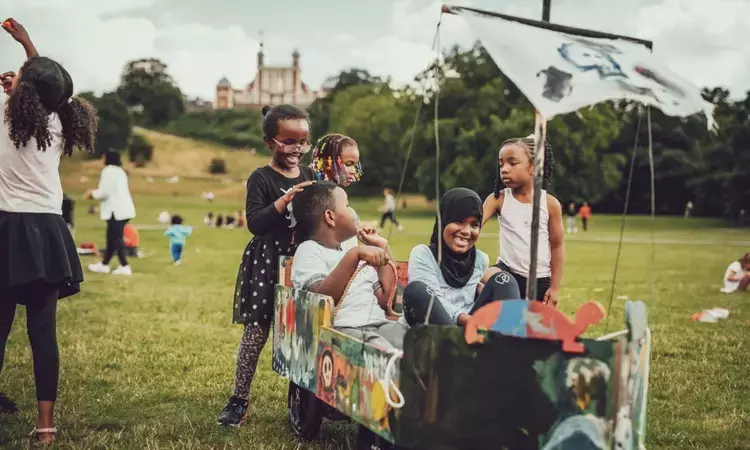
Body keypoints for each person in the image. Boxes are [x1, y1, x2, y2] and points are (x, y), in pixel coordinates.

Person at [0, 18, 97, 445]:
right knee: (43, 332)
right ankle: (45, 427)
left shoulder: (5, 119)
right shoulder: (59, 124)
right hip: (48, 229)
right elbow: (53, 87)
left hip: (7, 227)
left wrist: (18, 67)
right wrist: (26, 47)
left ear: (21, 91)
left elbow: (39, 85)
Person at [216, 104, 316, 427]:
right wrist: (283, 201)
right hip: (267, 262)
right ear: (270, 141)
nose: (296, 148)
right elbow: (255, 222)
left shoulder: (310, 176)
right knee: (256, 333)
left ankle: (303, 403)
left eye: (302, 141)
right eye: (288, 141)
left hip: (301, 262)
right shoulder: (260, 178)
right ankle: (239, 399)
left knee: (304, 331)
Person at [292, 181, 407, 348]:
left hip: (379, 324)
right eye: (348, 205)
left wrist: (382, 247)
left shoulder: (351, 252)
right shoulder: (309, 250)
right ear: (330, 217)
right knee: (382, 350)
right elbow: (321, 299)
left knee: (414, 342)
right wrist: (353, 255)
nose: (354, 211)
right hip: (343, 330)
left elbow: (385, 300)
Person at [403, 188, 521, 326]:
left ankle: (511, 341)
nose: (466, 231)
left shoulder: (480, 259)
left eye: (474, 225)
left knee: (505, 280)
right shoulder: (423, 255)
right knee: (416, 290)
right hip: (435, 329)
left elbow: (474, 294)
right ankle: (457, 343)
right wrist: (468, 320)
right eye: (458, 221)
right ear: (443, 221)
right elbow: (432, 301)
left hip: (467, 328)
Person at [482, 135, 565, 305]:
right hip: (507, 272)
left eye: (512, 163)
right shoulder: (497, 199)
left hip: (539, 280)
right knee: (484, 275)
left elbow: (557, 246)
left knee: (530, 329)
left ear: (533, 167)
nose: (504, 169)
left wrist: (554, 288)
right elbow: (473, 226)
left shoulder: (550, 204)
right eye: (501, 164)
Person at [309, 133, 367, 251]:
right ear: (328, 162)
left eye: (356, 165)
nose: (353, 171)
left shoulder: (339, 197)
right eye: (348, 164)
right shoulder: (314, 199)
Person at [85, 150, 136, 276]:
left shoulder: (108, 171)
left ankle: (124, 266)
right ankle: (105, 265)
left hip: (116, 210)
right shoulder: (120, 171)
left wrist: (92, 194)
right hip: (123, 209)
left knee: (116, 239)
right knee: (112, 238)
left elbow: (105, 191)